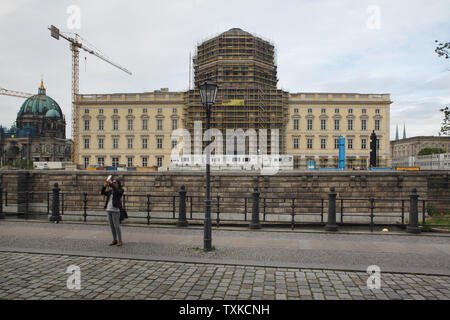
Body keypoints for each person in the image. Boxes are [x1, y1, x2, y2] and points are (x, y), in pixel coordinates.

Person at [101, 176, 124, 246]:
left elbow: (117, 191)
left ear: (118, 183)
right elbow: (102, 193)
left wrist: (111, 184)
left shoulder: (120, 190)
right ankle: (114, 239)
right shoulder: (111, 191)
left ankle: (120, 240)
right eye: (113, 182)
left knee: (117, 226)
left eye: (115, 182)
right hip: (108, 209)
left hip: (115, 210)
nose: (114, 183)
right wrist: (104, 186)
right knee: (111, 226)